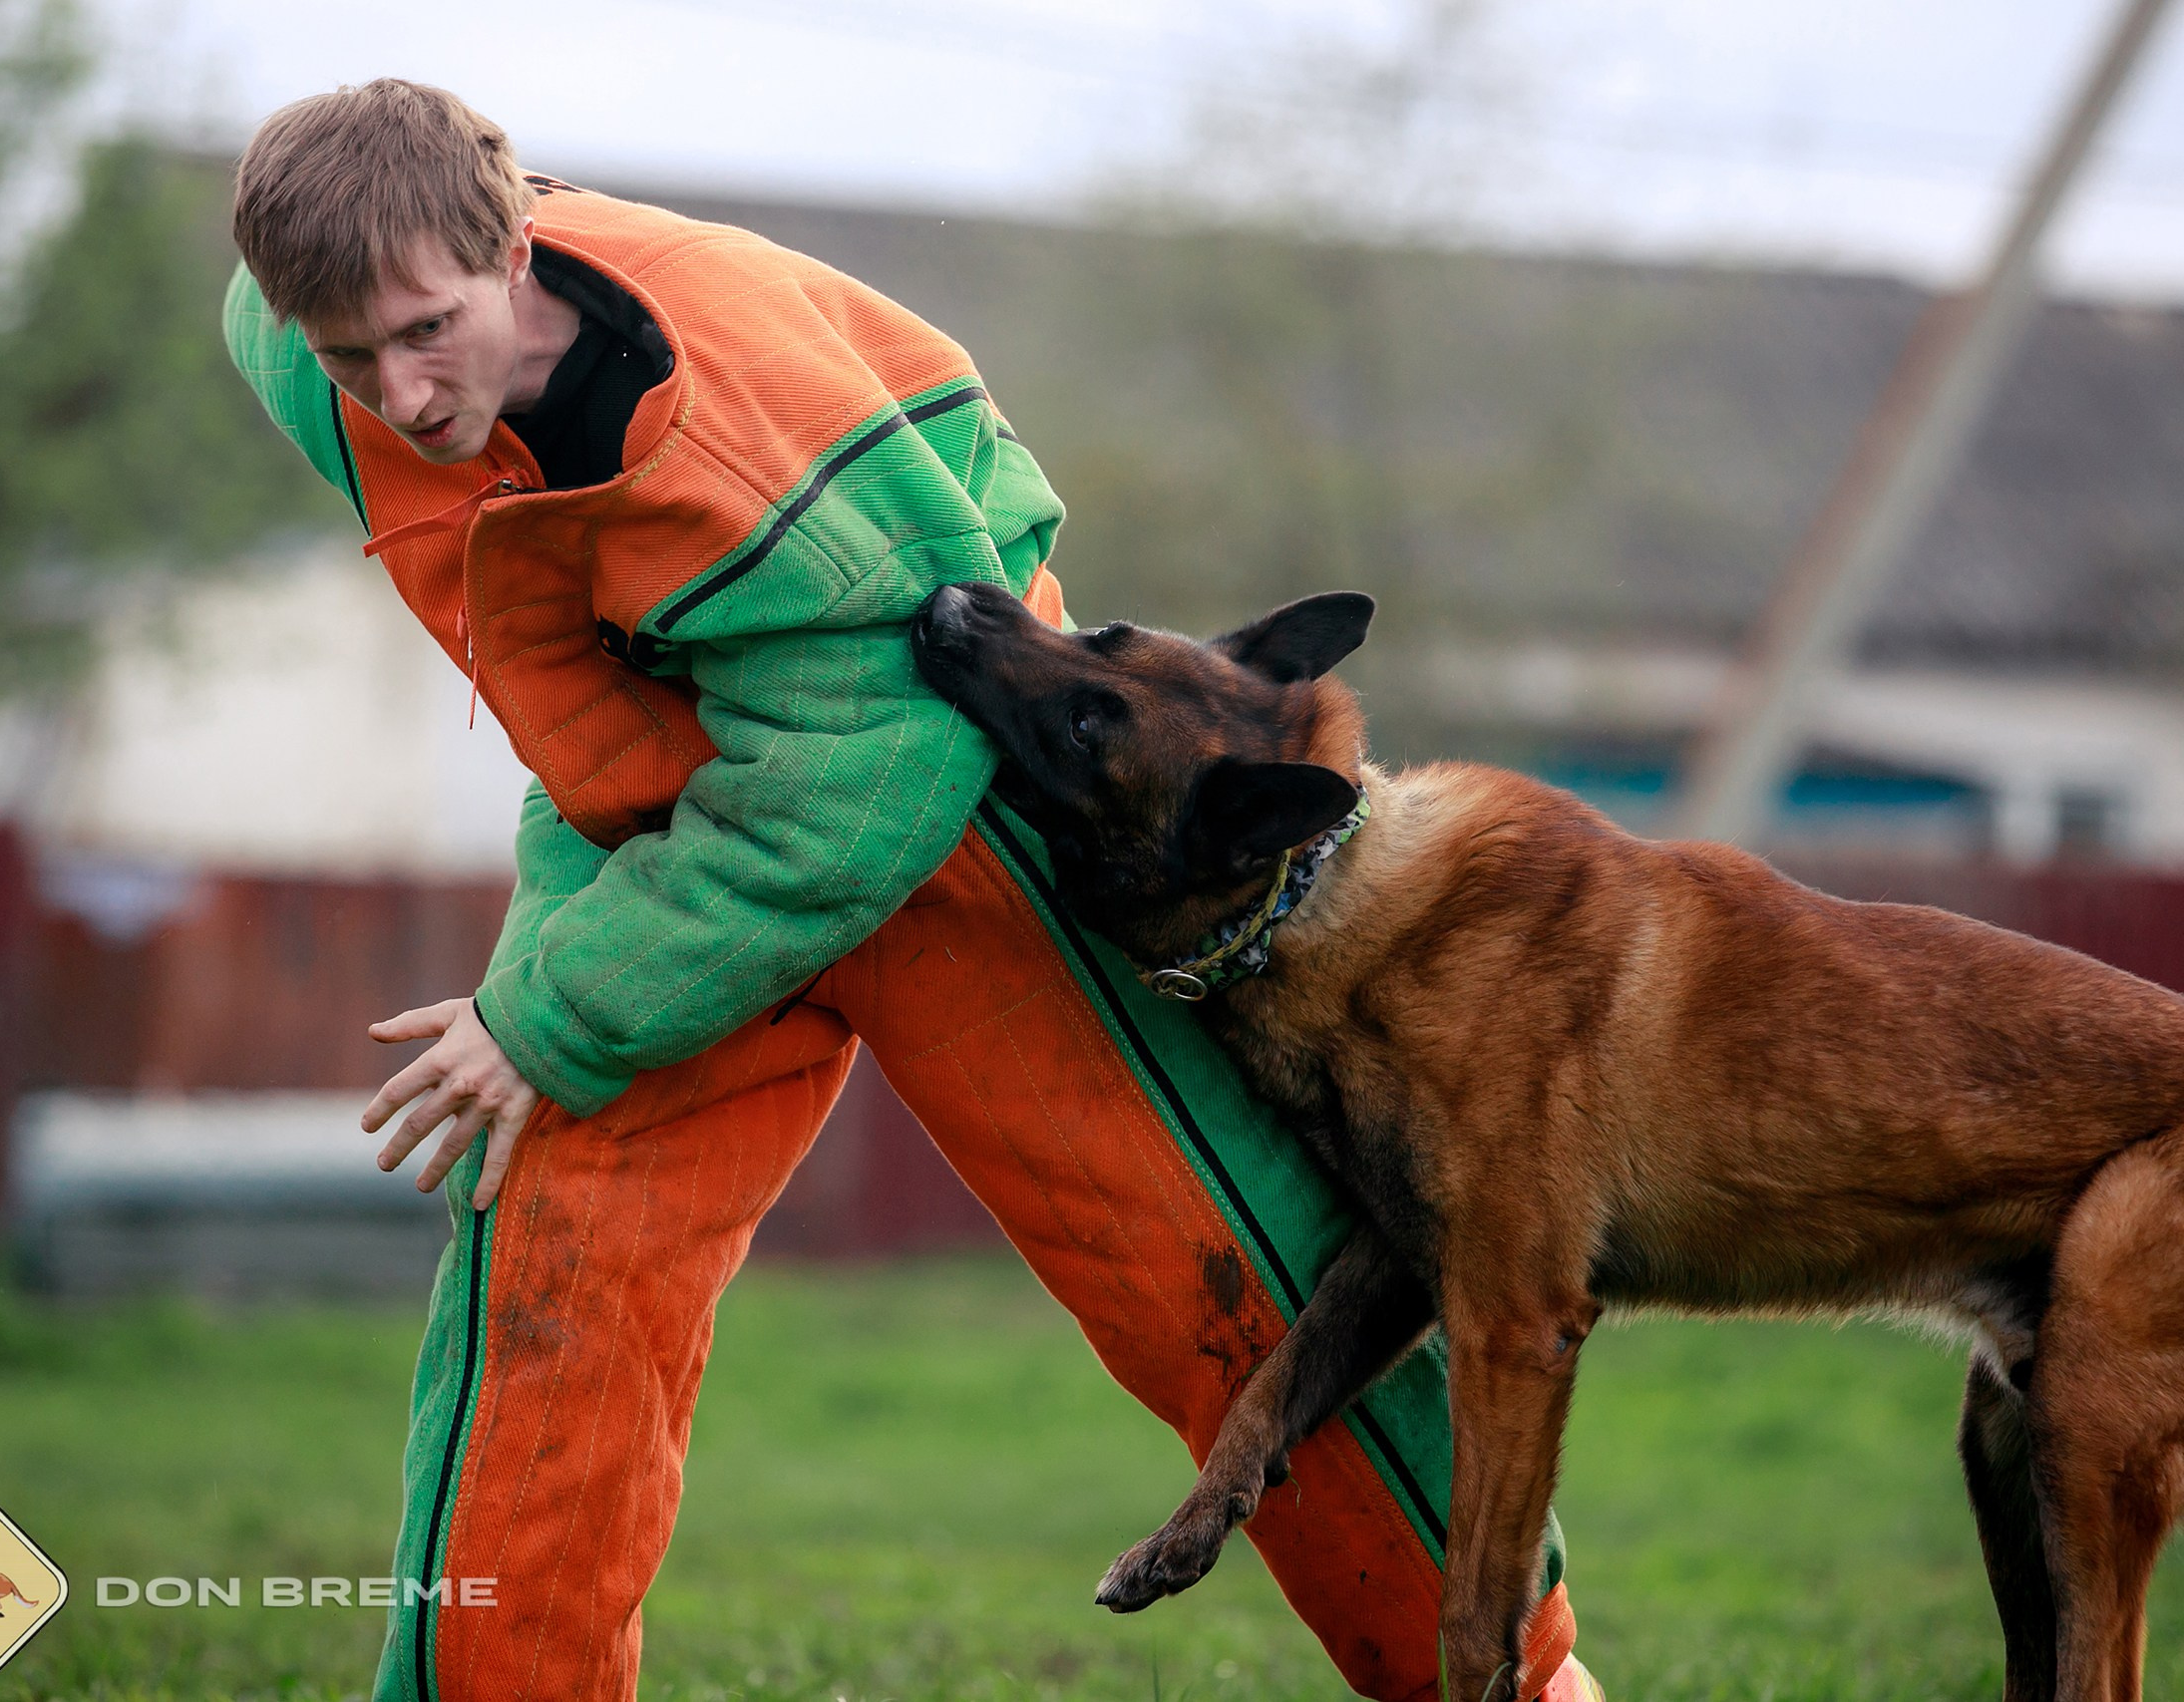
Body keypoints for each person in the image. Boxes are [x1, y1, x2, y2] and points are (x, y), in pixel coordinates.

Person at [222, 78, 1599, 1702]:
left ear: (514, 246)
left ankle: (1511, 1684)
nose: (399, 395)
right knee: (548, 1274)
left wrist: (551, 1015)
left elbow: (849, 804)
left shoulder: (765, 468)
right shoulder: (299, 341)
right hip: (660, 810)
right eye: (351, 356)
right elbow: (339, 323)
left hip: (936, 777)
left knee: (1212, 1272)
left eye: (429, 333)